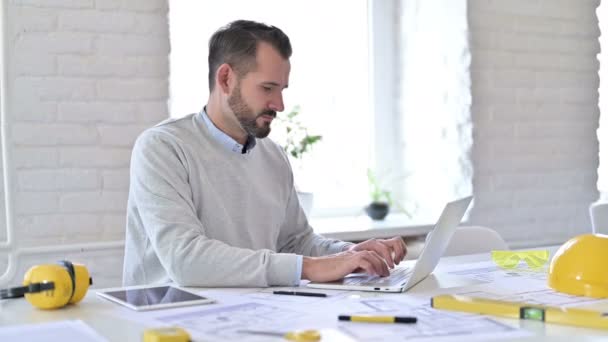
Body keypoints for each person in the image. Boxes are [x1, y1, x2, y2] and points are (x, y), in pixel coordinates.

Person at [123, 19, 407, 287]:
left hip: (250, 315)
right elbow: (185, 260)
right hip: (167, 323)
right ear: (225, 79)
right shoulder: (162, 148)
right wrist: (307, 267)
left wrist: (349, 253)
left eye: (282, 89)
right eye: (267, 88)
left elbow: (295, 243)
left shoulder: (273, 156)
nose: (280, 104)